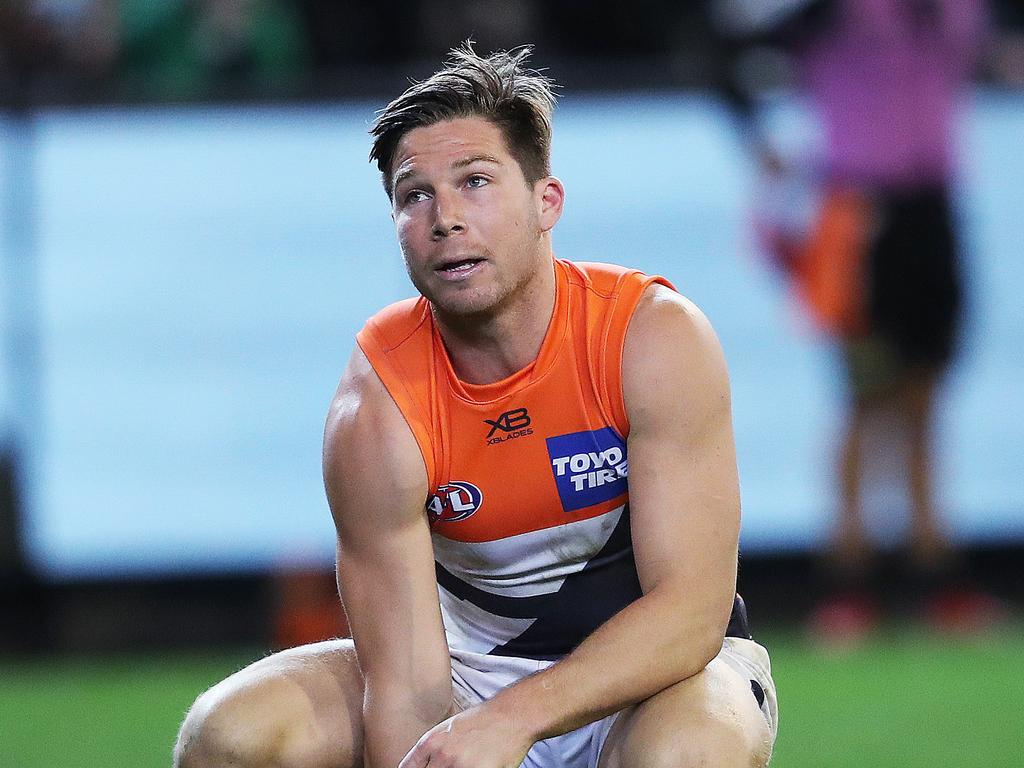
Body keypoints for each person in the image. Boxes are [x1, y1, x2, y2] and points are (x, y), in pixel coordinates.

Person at [174, 44, 777, 768]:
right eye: (414, 195)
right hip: (463, 677)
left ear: (546, 201)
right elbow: (405, 687)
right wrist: (465, 733)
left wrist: (514, 720)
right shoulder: (378, 403)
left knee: (687, 753)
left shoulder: (650, 337)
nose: (445, 218)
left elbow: (690, 617)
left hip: (657, 680)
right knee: (229, 736)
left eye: (476, 182)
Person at [714, 0, 996, 637]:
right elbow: (729, 53)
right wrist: (761, 147)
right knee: (864, 399)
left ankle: (936, 577)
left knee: (925, 398)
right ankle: (847, 581)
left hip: (935, 213)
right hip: (859, 219)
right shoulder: (832, 12)